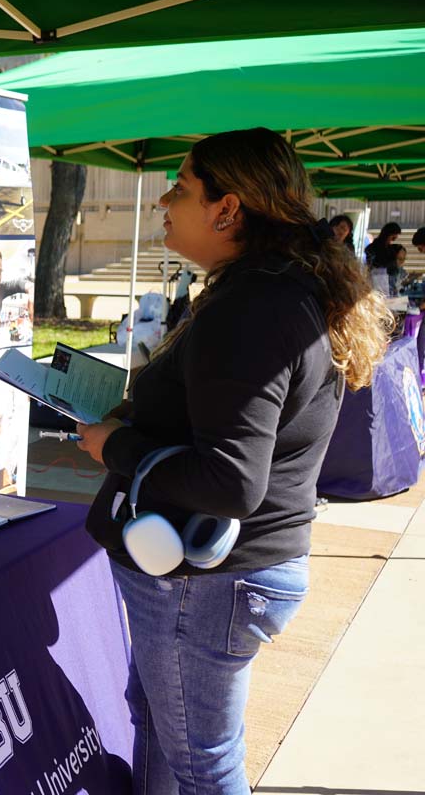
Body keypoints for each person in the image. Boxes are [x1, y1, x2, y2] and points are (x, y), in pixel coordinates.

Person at [73, 128, 390, 794]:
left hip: (206, 577)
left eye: (181, 188)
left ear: (228, 208)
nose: (163, 198)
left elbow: (230, 481)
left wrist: (116, 447)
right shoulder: (273, 288)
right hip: (223, 573)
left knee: (202, 765)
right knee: (165, 729)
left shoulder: (252, 307)